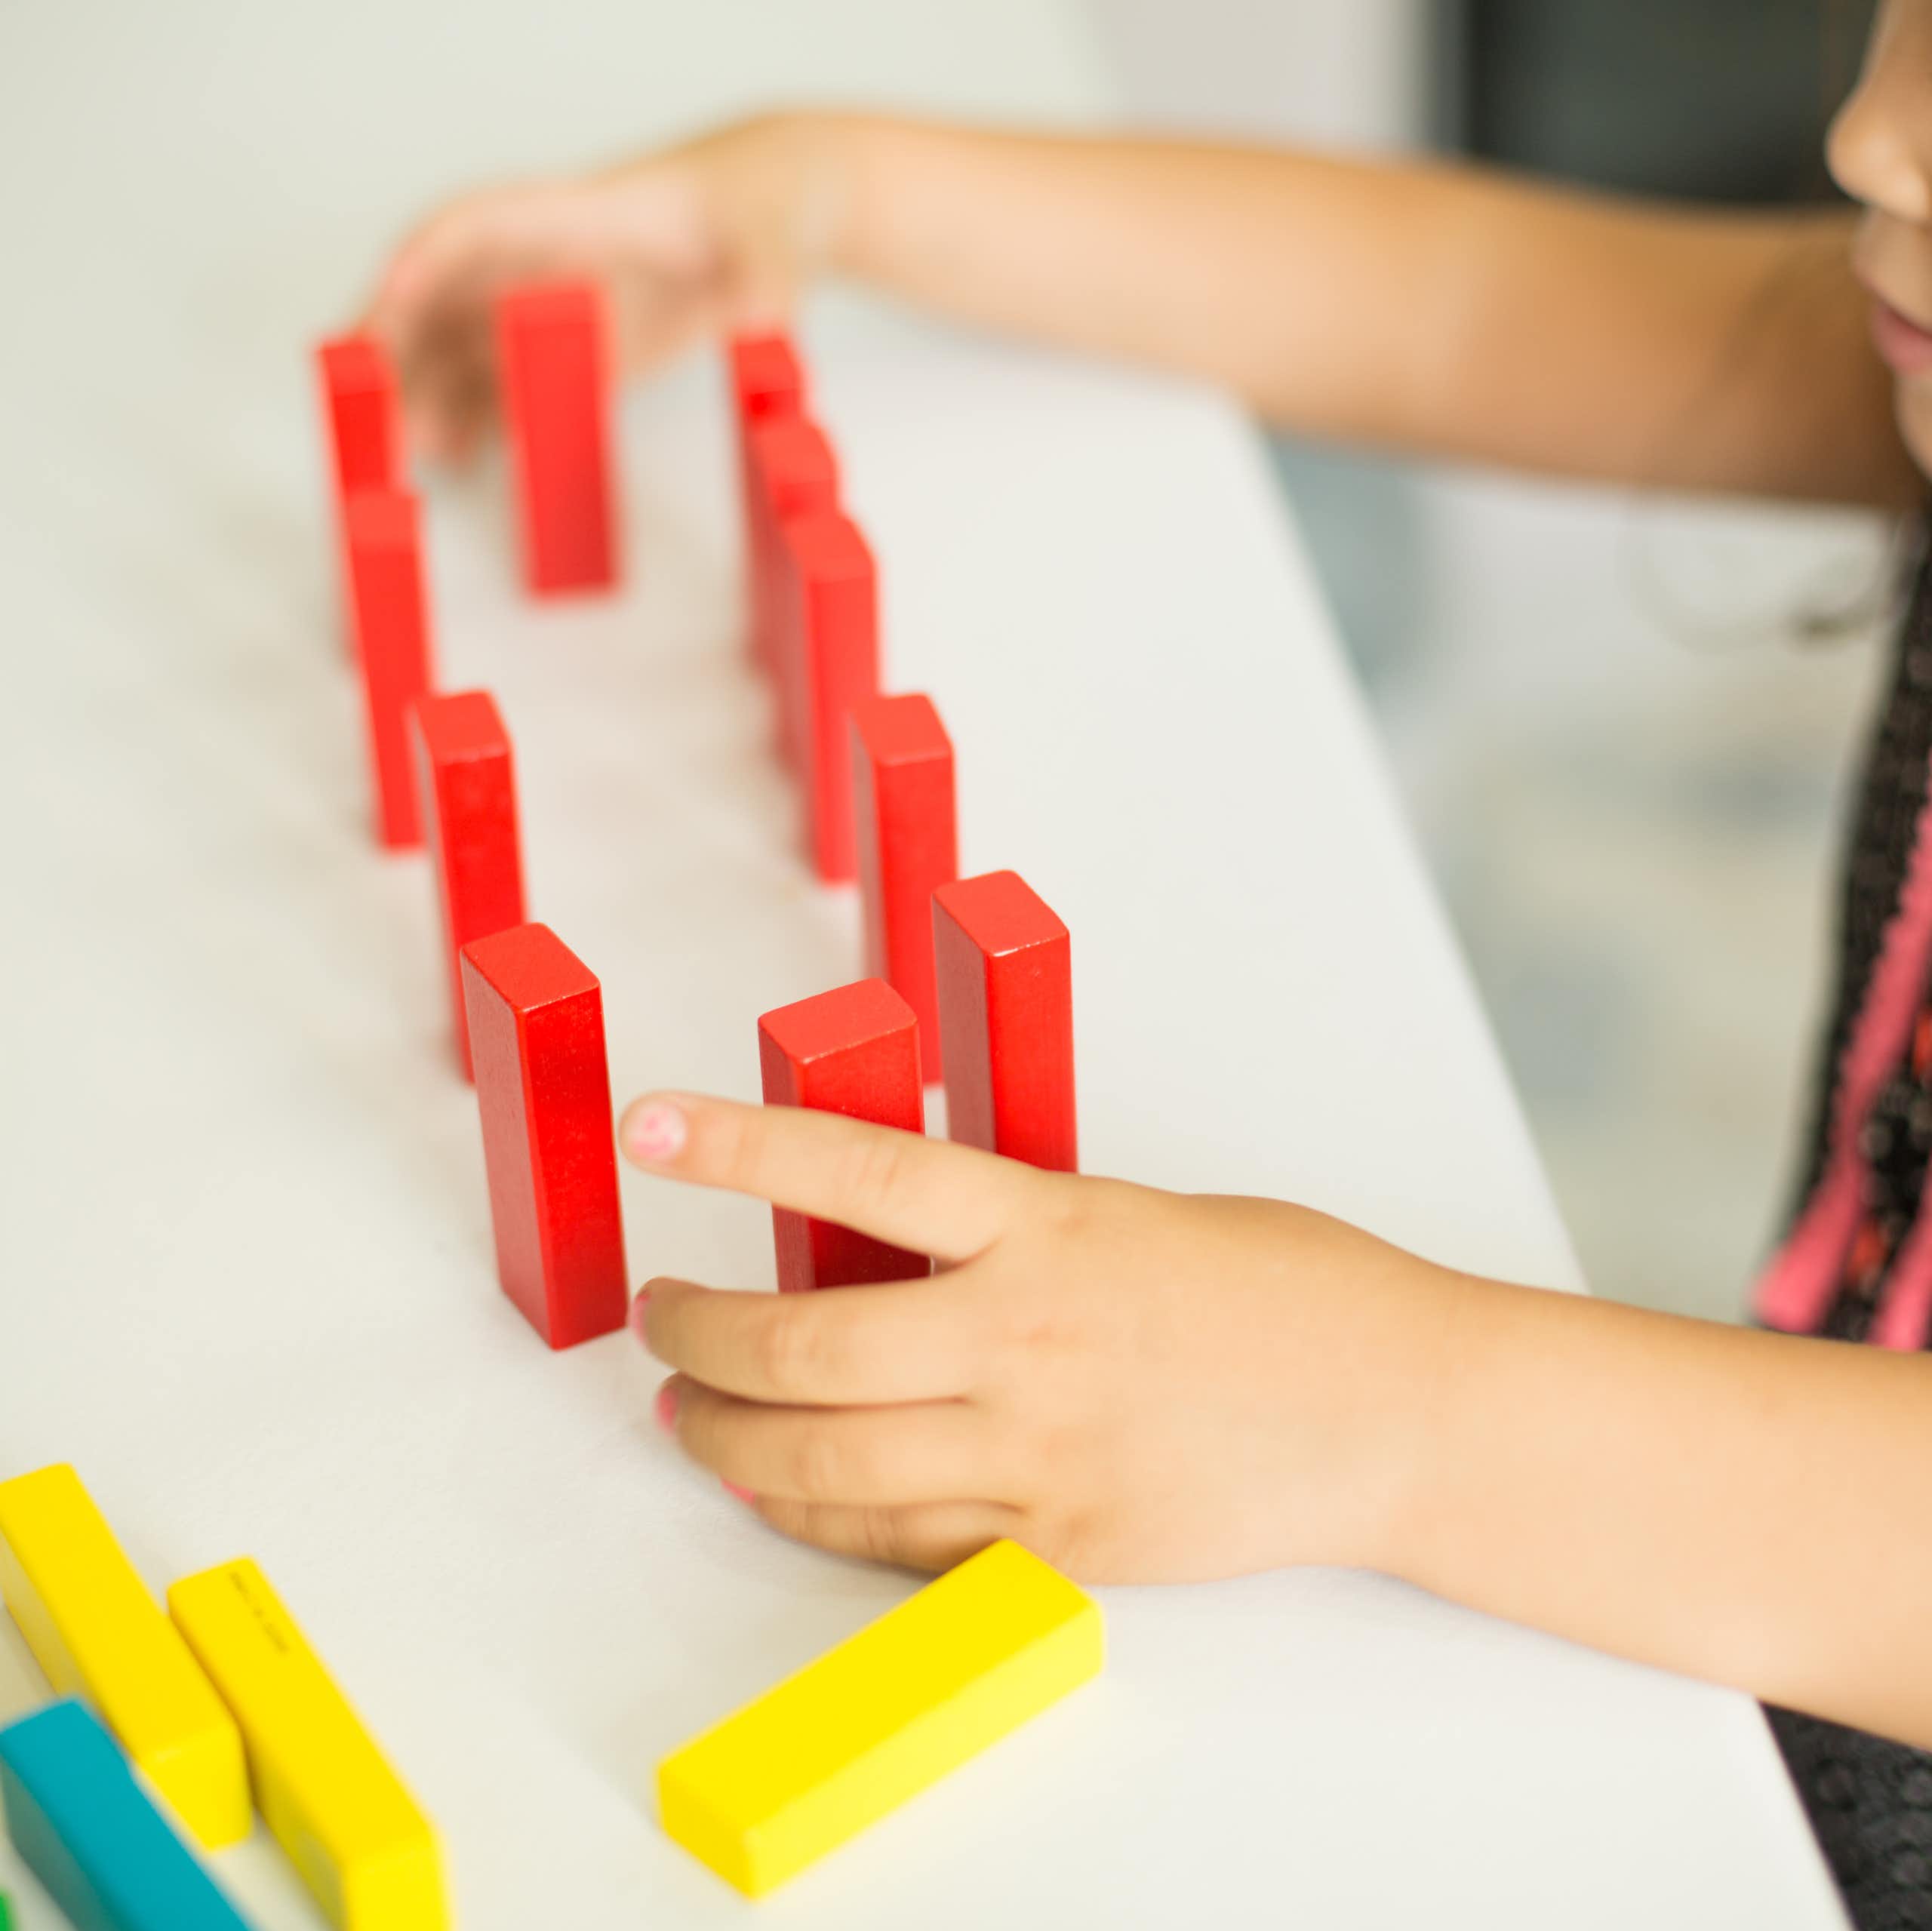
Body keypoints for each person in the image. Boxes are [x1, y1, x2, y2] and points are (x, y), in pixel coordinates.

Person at [368, 6, 1932, 1918]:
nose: (1865, 135)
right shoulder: (1904, 342)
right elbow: (1447, 300)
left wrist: (1384, 1403)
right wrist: (846, 182)